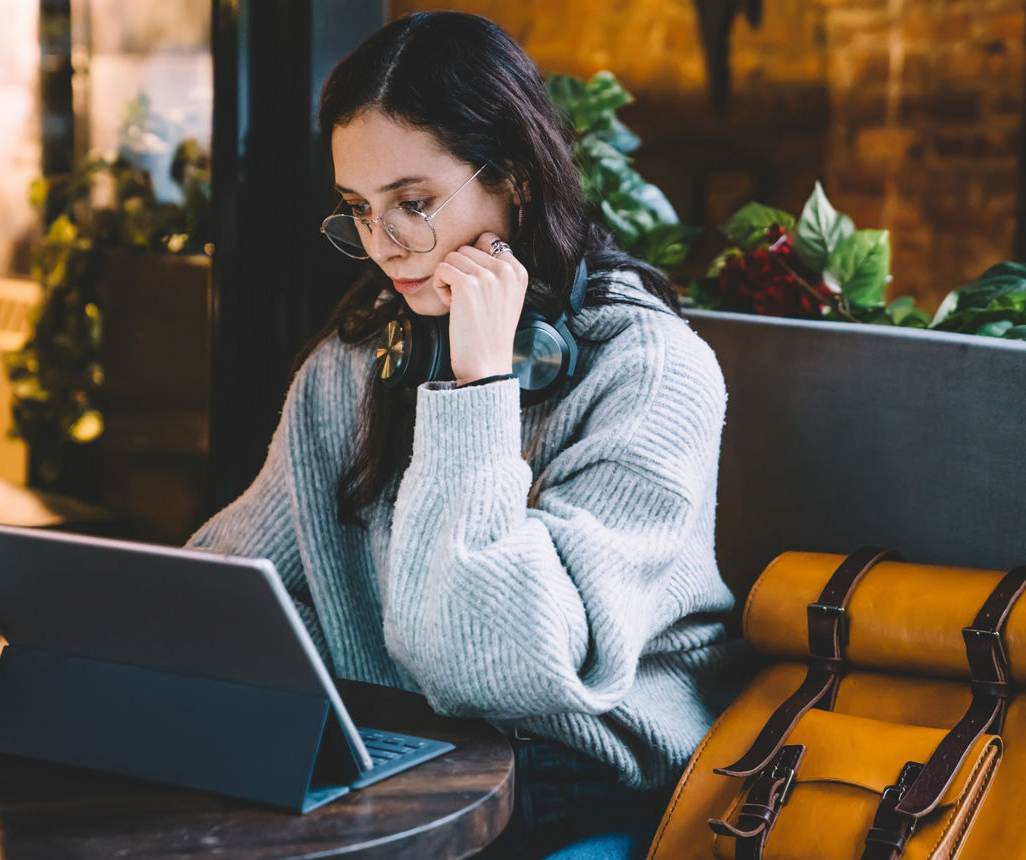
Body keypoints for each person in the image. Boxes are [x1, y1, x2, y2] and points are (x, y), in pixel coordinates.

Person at [189, 11, 737, 858]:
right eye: (359, 212)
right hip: (400, 756)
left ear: (513, 177)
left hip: (569, 780)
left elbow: (490, 658)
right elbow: (239, 576)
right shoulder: (362, 357)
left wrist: (476, 388)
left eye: (413, 203)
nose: (385, 247)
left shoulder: (653, 371)